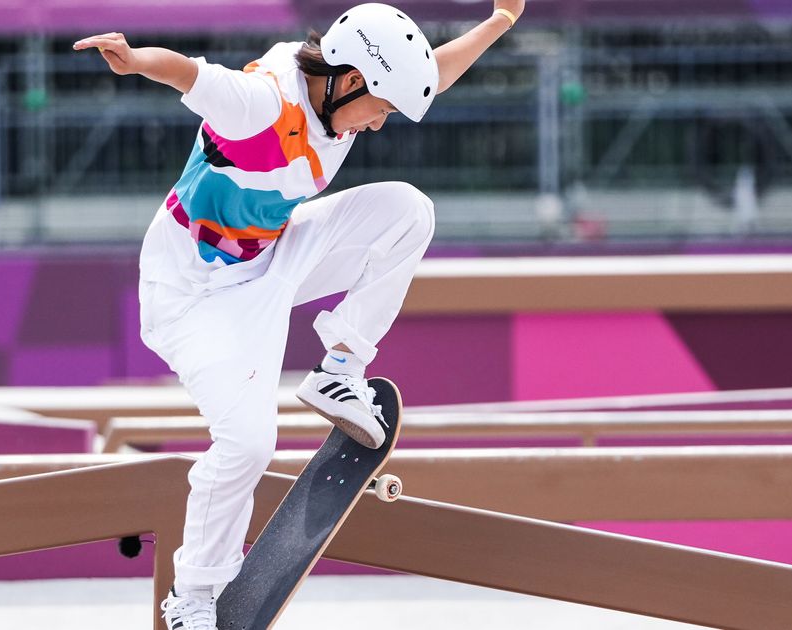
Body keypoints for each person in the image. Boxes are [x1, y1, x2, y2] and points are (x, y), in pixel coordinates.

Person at [74, 2, 523, 627]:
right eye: (381, 109)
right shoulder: (263, 102)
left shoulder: (344, 92)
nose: (379, 125)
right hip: (196, 297)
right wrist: (134, 60)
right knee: (249, 443)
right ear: (352, 79)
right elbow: (190, 75)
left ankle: (340, 367)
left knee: (407, 212)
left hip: (275, 253)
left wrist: (501, 19)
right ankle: (193, 598)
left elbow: (432, 74)